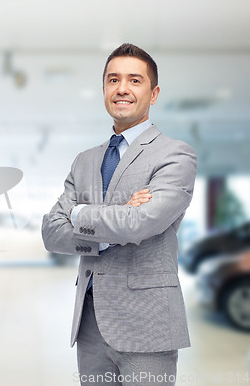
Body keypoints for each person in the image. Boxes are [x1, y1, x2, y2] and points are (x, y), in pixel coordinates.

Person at [41, 43, 197, 386]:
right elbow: (51, 233)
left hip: (147, 323)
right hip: (91, 324)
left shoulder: (176, 156)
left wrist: (80, 213)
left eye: (134, 80)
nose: (122, 88)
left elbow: (141, 223)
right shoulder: (84, 160)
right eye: (113, 80)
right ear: (104, 91)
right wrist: (112, 224)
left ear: (153, 93)